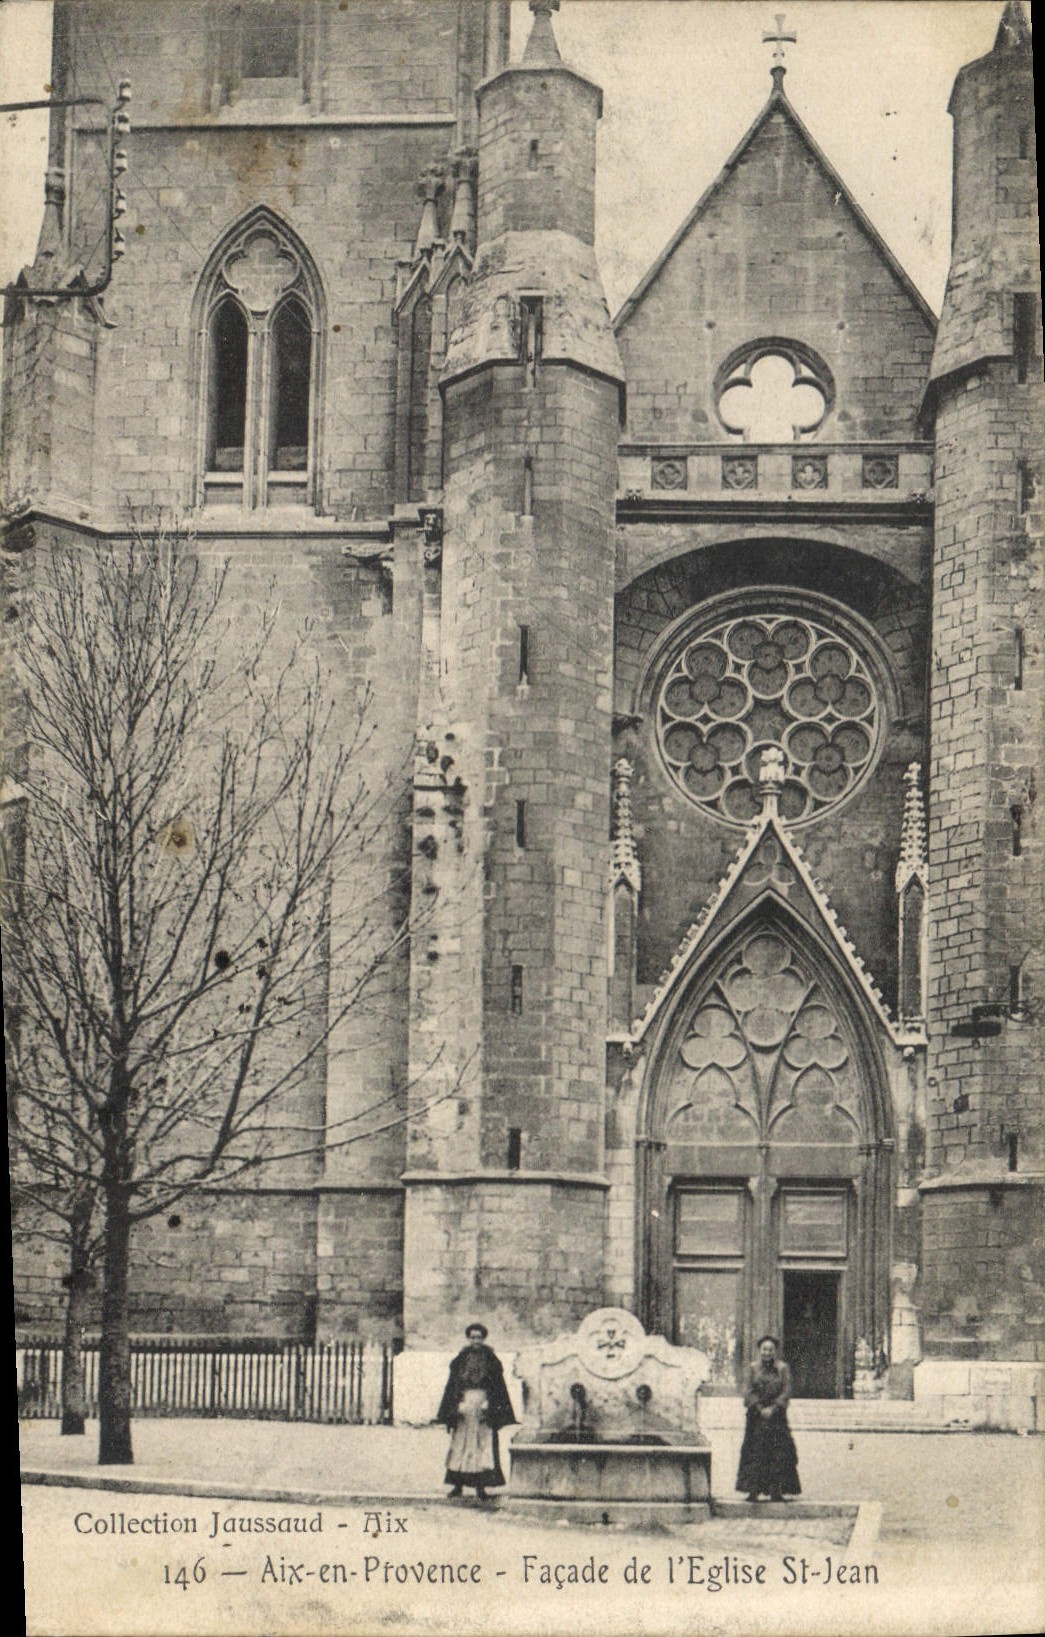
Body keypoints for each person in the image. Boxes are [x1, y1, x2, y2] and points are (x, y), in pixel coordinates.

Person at [436, 1323, 517, 1501]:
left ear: (483, 1339)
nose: (475, 1341)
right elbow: (453, 1384)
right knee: (461, 1444)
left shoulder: (491, 1359)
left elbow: (497, 1386)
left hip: (483, 1407)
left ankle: (481, 1487)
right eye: (472, 1337)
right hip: (464, 1407)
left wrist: (490, 1403)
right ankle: (457, 1486)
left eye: (479, 1337)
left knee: (482, 1445)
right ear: (468, 1338)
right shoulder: (460, 1359)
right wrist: (456, 1404)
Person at [735, 1334, 801, 1502]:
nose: (767, 1353)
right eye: (764, 1349)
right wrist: (759, 1408)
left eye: (770, 1350)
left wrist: (774, 1408)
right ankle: (753, 1489)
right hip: (756, 1418)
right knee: (755, 1451)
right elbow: (748, 1390)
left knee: (779, 1453)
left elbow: (787, 1390)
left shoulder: (783, 1368)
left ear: (775, 1352)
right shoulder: (753, 1368)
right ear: (760, 1351)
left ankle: (776, 1490)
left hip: (777, 1418)